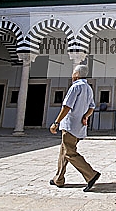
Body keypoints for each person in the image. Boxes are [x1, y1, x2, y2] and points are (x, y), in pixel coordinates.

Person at [49, 64, 101, 192]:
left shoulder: (75, 87)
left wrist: (56, 122)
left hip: (70, 125)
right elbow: (92, 107)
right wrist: (85, 117)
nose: (72, 75)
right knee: (64, 152)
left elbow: (67, 106)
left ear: (77, 74)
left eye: (73, 72)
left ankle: (91, 174)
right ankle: (59, 179)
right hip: (79, 127)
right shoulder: (88, 88)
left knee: (69, 153)